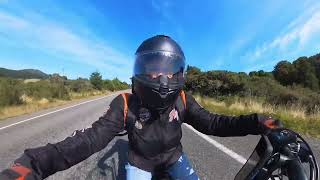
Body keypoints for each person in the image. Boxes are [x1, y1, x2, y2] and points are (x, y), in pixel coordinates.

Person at [0, 35, 281, 180]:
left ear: (179, 73)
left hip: (173, 157)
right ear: (140, 72)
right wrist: (35, 163)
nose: (161, 77)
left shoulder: (182, 99)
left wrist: (255, 121)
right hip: (139, 162)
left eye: (168, 70)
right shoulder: (124, 103)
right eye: (153, 69)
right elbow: (89, 140)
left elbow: (214, 123)